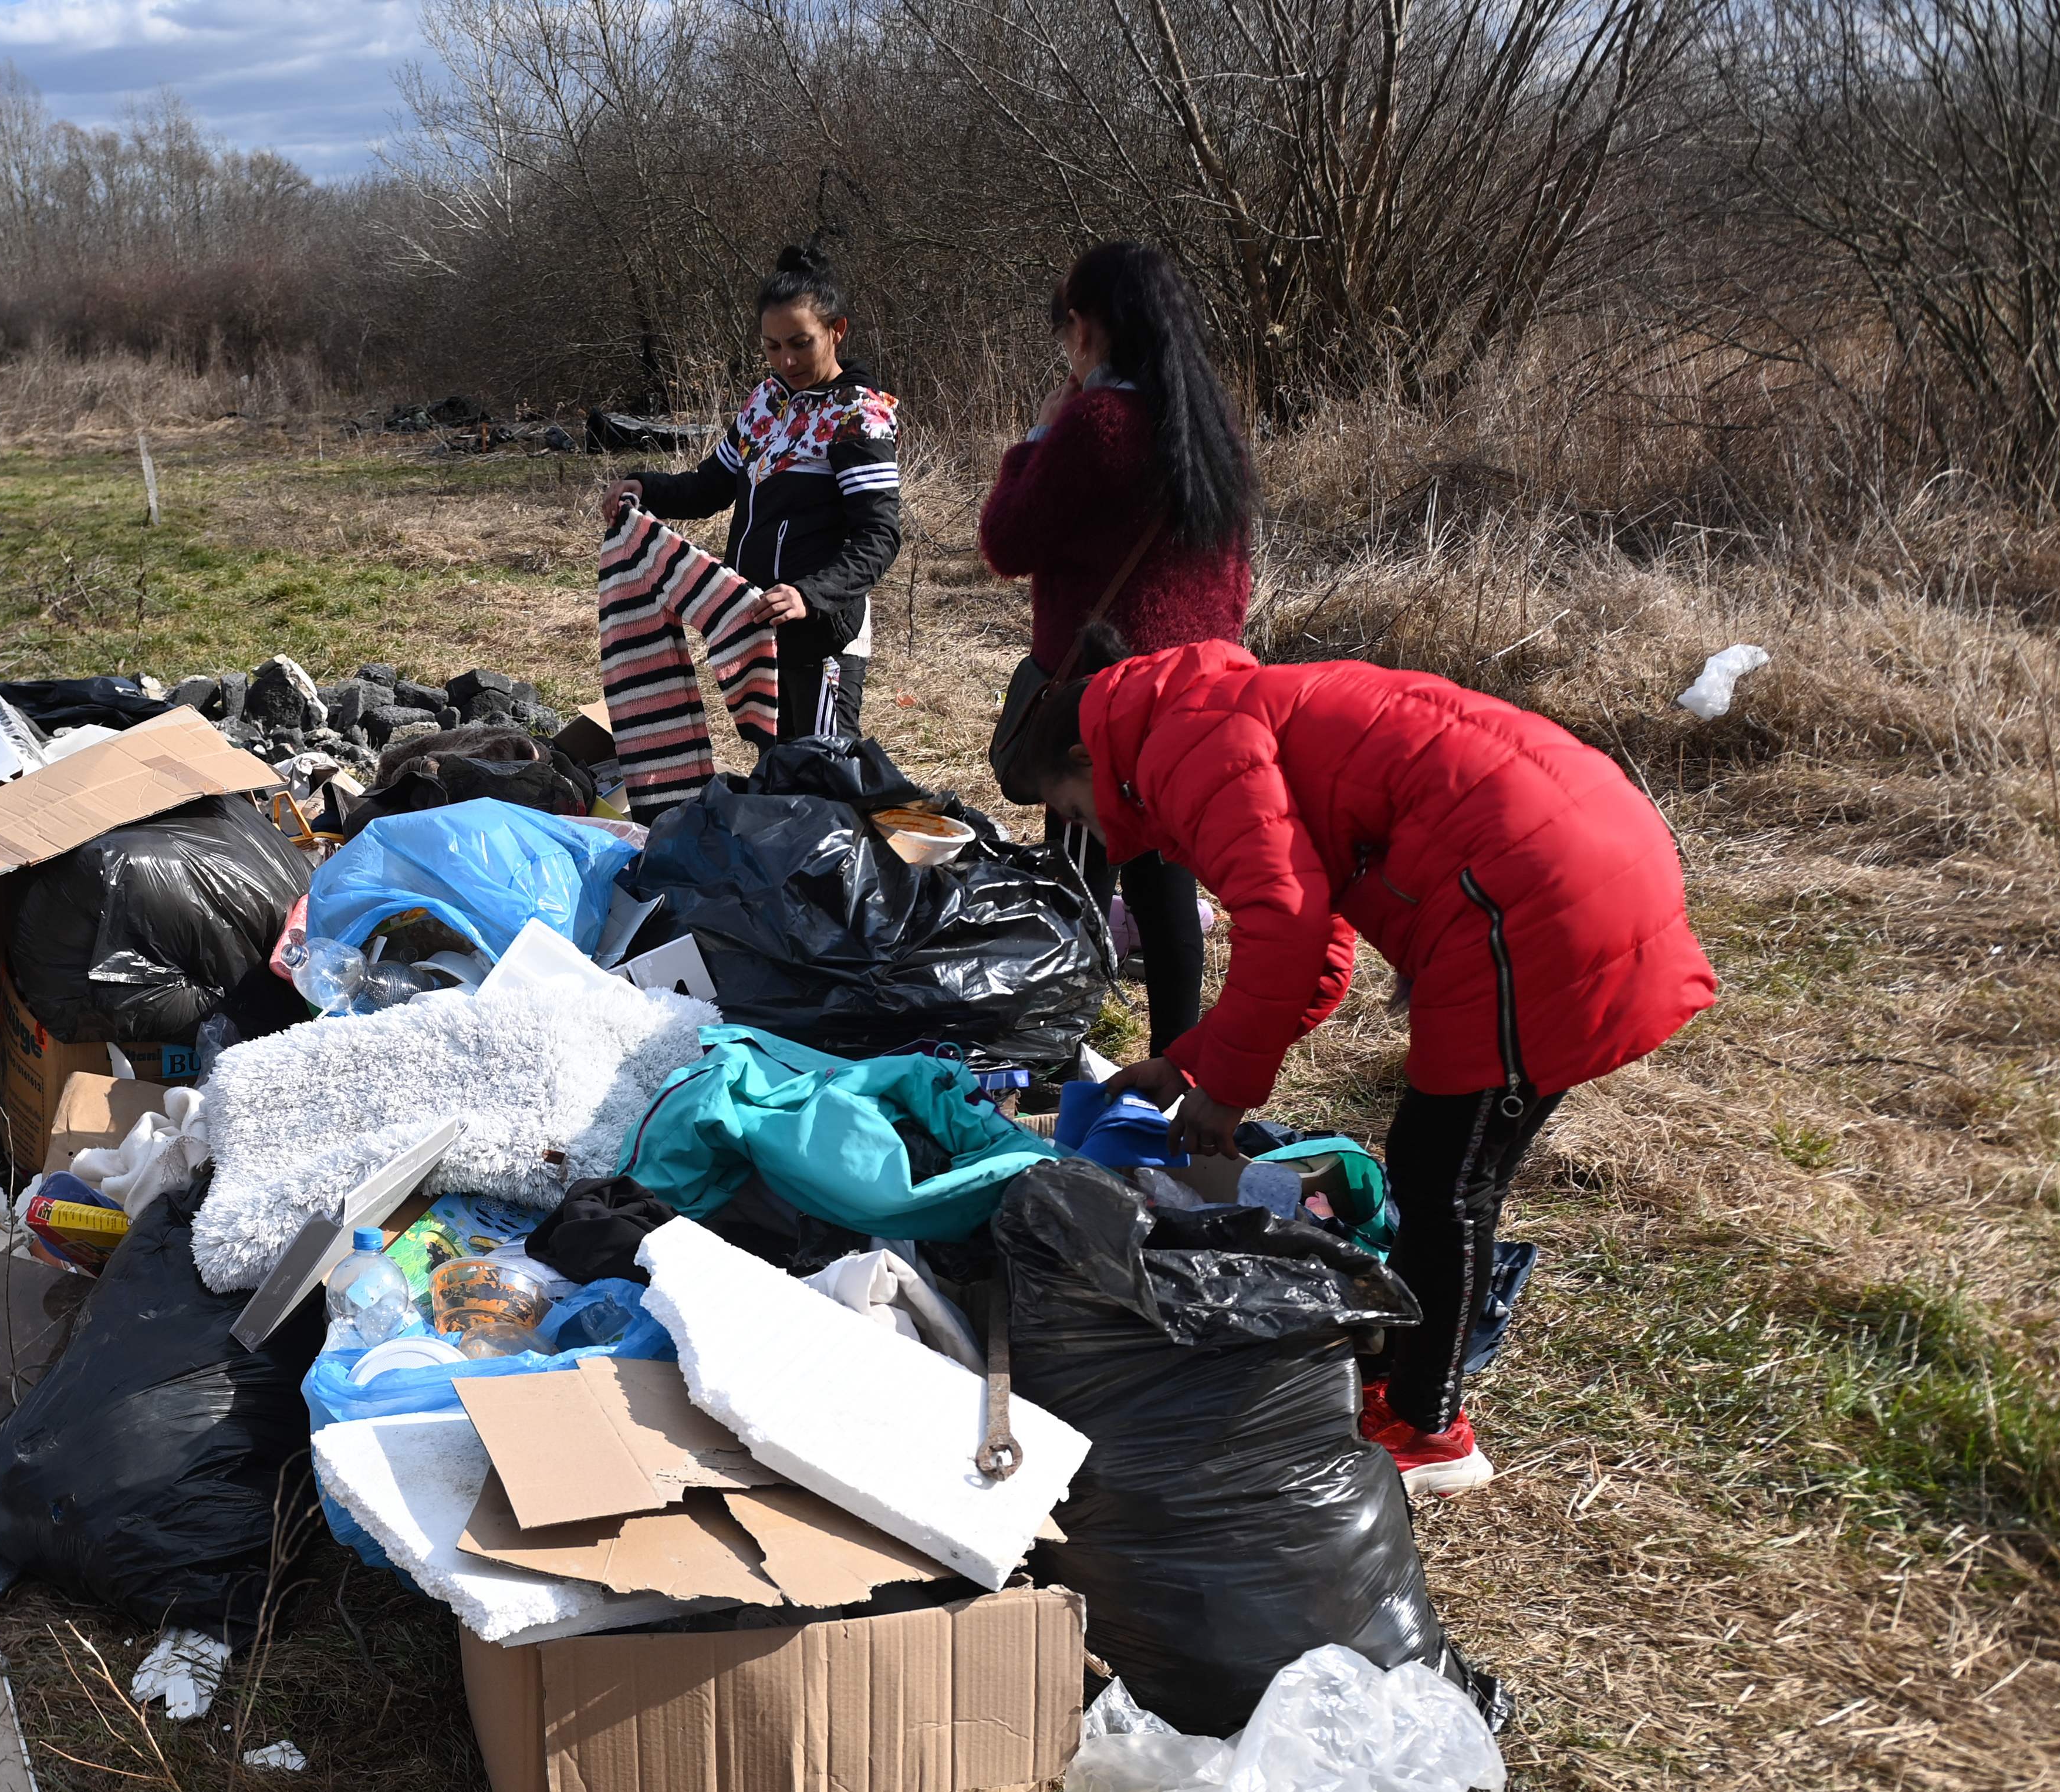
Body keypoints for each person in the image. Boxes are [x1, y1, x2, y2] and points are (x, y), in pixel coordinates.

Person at [995, 637, 1717, 1499]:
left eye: (1072, 812)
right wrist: (1188, 1066)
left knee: (1448, 1181)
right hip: (1557, 852)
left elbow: (1288, 924)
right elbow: (1318, 938)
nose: (1088, 834)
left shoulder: (1182, 750)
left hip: (1534, 898)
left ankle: (1431, 1430)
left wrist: (1226, 1093)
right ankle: (1412, 1379)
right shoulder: (1193, 721)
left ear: (1087, 758)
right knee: (1438, 1164)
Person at [979, 239, 1253, 1052]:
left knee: (1077, 878)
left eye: (1067, 325)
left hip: (1097, 695)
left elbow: (1008, 540)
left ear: (1092, 326)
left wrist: (1034, 440)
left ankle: (1062, 1041)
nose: (1065, 343)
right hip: (1190, 689)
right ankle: (1177, 1062)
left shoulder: (1098, 421)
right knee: (1167, 885)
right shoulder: (1209, 424)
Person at [600, 244, 903, 743]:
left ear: (837, 331)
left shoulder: (857, 417)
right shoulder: (767, 401)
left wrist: (811, 595)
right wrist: (645, 486)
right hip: (759, 633)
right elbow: (709, 487)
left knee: (823, 777)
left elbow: (879, 536)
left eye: (801, 343)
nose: (786, 360)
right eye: (771, 346)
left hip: (824, 636)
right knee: (775, 772)